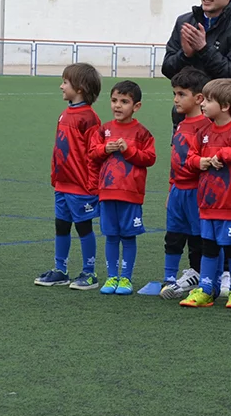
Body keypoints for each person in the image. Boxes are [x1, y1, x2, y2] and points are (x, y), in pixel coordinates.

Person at [178, 79, 231, 309]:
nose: (203, 103)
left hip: (230, 205)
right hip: (207, 204)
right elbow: (190, 157)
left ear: (225, 106)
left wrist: (221, 154)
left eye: (209, 100)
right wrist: (200, 161)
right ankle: (206, 289)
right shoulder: (203, 131)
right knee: (208, 248)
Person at [36, 63, 103, 290]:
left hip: (81, 186)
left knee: (83, 227)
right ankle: (60, 270)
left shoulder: (90, 119)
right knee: (61, 226)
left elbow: (95, 154)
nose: (61, 86)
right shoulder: (64, 114)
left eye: (65, 82)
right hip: (63, 184)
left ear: (80, 88)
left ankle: (89, 272)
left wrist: (92, 184)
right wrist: (55, 176)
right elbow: (59, 149)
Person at [89, 81, 156, 296]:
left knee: (128, 236)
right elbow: (92, 152)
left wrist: (129, 151)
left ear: (136, 106)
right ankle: (111, 276)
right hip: (107, 193)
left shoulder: (142, 133)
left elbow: (150, 158)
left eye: (124, 102)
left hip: (130, 194)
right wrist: (104, 149)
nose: (118, 106)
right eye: (114, 100)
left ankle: (126, 277)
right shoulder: (105, 129)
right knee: (110, 236)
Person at [160, 67, 212, 300]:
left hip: (196, 192)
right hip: (178, 191)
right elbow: (175, 159)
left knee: (197, 238)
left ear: (199, 98)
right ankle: (169, 278)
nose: (175, 99)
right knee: (173, 236)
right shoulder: (180, 124)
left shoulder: (207, 127)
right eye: (175, 93)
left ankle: (200, 276)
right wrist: (171, 189)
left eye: (182, 94)